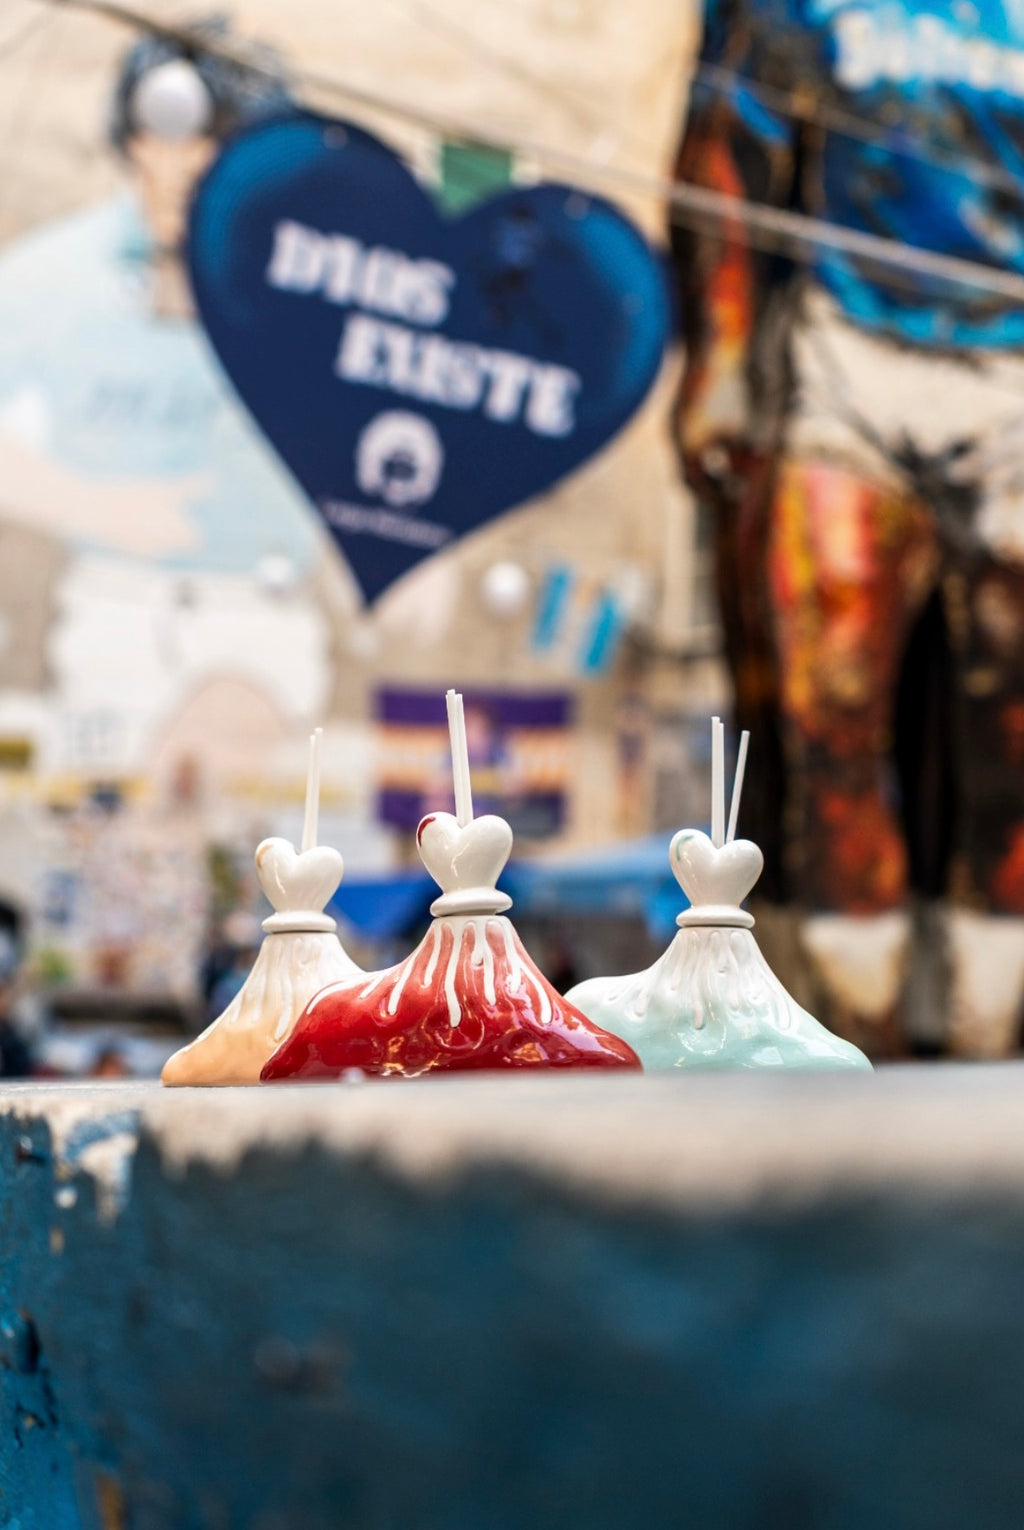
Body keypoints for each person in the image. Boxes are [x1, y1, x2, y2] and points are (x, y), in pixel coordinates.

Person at [672, 0, 1024, 1056]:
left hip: (1010, 372)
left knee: (1013, 733)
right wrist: (722, 360)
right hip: (845, 356)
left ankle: (985, 1035)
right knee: (831, 708)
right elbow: (728, 153)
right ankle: (850, 1031)